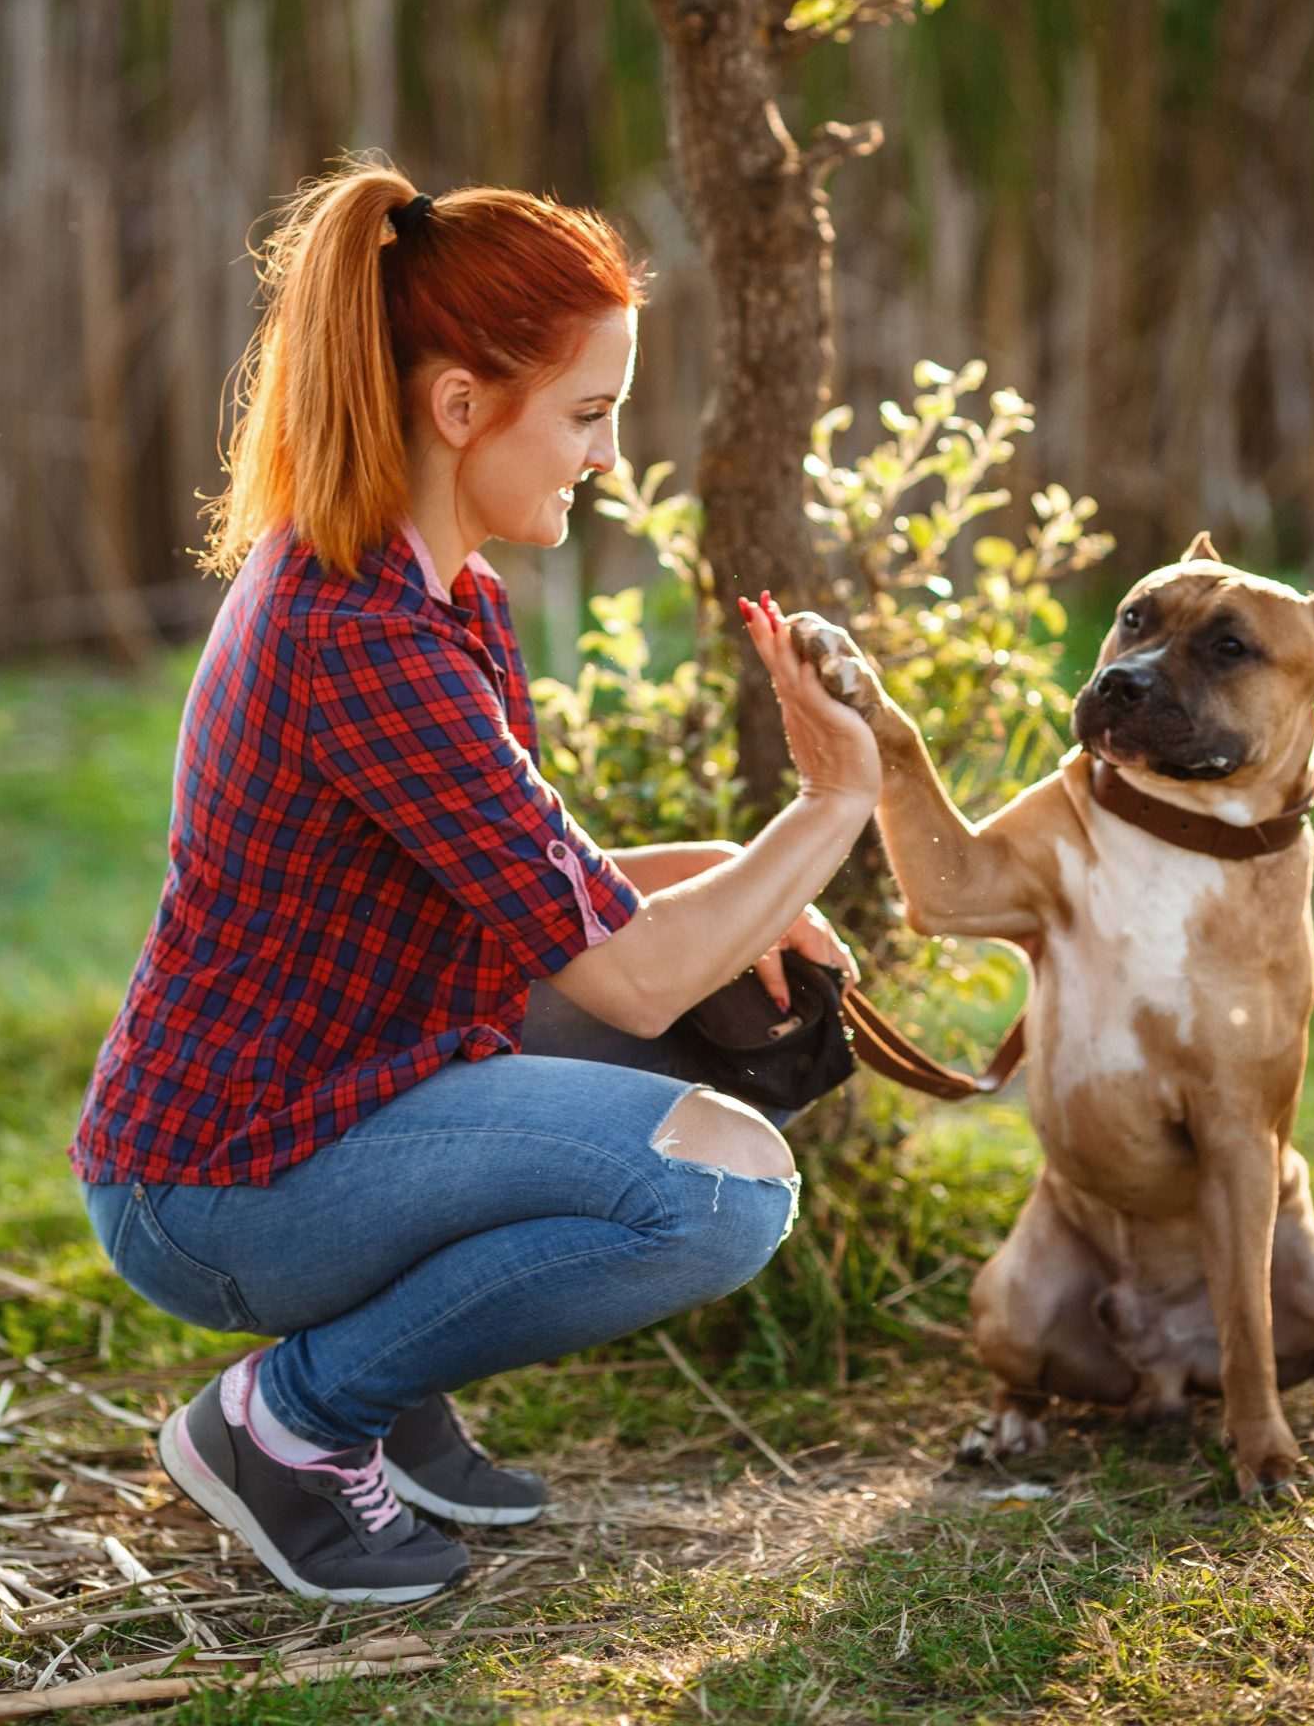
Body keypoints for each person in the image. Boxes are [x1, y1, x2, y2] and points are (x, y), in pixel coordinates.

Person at [72, 162, 878, 1605]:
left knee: (684, 1034)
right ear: (460, 407)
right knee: (725, 1192)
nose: (610, 456)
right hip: (217, 1186)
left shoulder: (427, 591)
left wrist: (734, 882)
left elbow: (524, 886)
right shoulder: (361, 637)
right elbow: (625, 973)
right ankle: (296, 1421)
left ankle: (379, 1390)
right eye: (586, 415)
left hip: (324, 1093)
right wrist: (835, 806)